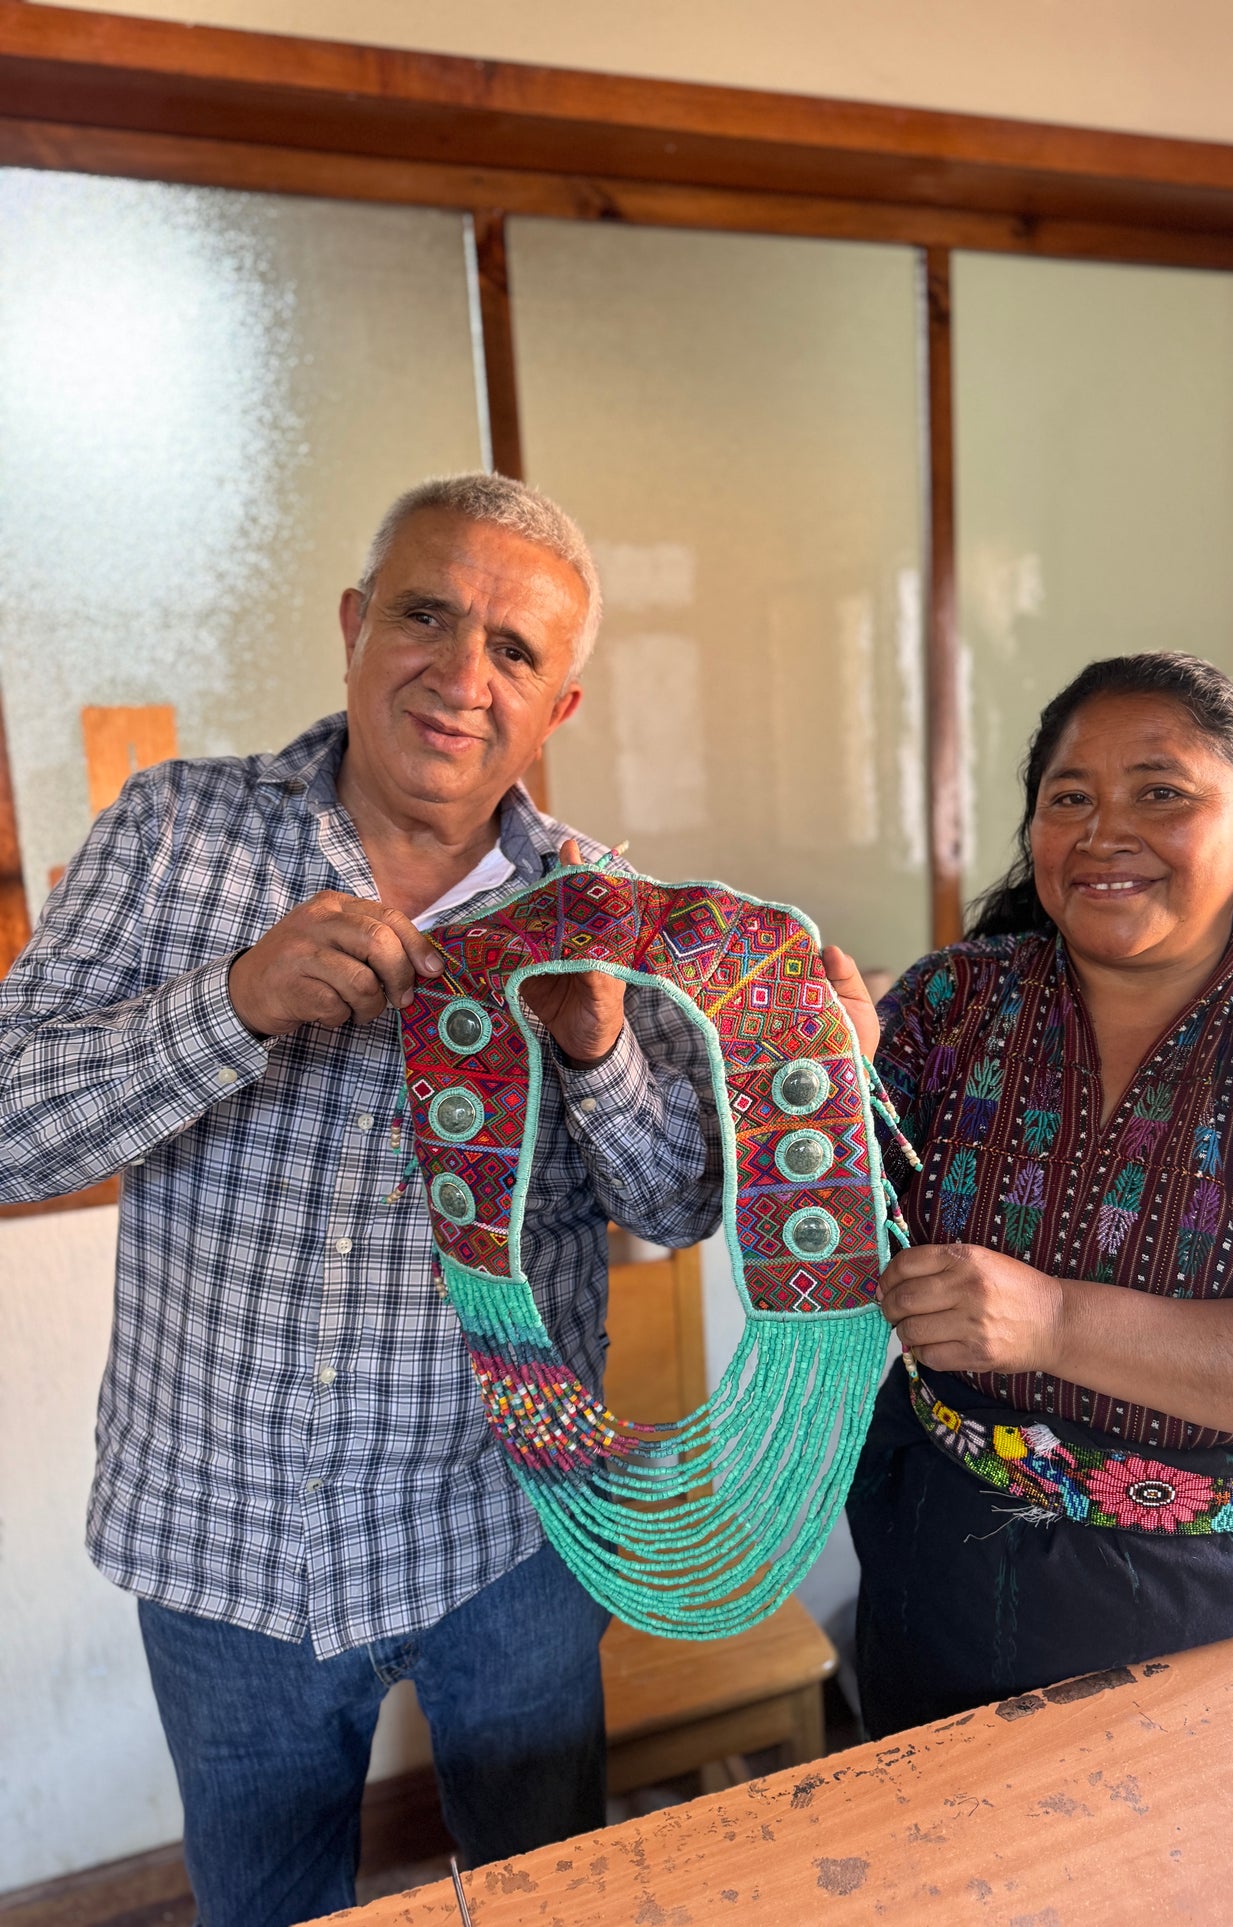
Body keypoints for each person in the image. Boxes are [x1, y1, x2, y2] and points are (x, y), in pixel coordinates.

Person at [0, 472, 726, 1926]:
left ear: (557, 707)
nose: (462, 675)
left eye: (515, 650)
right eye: (426, 614)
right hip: (220, 1536)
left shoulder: (598, 906)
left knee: (540, 1898)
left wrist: (593, 1045)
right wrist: (232, 1004)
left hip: (512, 1534)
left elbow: (684, 1197)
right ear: (353, 623)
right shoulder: (171, 835)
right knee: (261, 1907)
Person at [845, 652, 1233, 1738]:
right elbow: (819, 1225)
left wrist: (1057, 1321)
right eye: (1068, 796)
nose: (1103, 829)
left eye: (1160, 792)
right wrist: (796, 1076)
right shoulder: (949, 1002)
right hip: (940, 1549)